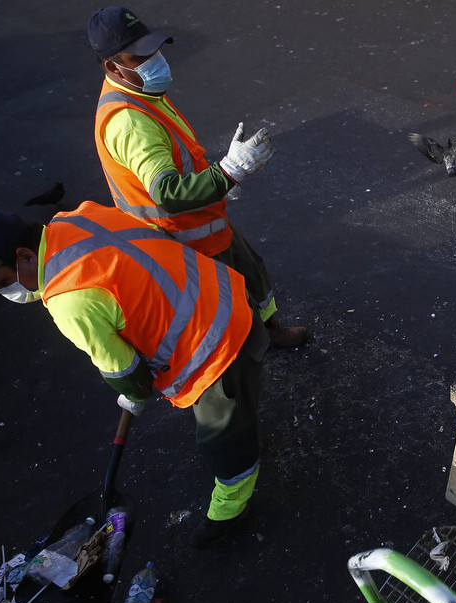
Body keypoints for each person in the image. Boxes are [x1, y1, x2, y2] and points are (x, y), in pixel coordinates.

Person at [0, 203, 267, 548]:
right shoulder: (76, 218)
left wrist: (134, 393)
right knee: (239, 408)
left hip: (217, 347)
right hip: (227, 295)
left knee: (222, 441)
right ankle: (243, 427)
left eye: (3, 282)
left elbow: (126, 372)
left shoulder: (70, 301)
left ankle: (229, 509)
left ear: (24, 255)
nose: (6, 292)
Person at [86, 6, 307, 347]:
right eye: (140, 57)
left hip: (205, 217)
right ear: (113, 66)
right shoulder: (130, 122)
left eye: (154, 50)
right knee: (224, 306)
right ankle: (248, 352)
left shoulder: (141, 94)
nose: (154, 60)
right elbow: (167, 191)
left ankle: (269, 330)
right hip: (185, 239)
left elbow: (179, 159)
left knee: (250, 273)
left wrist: (218, 180)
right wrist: (229, 171)